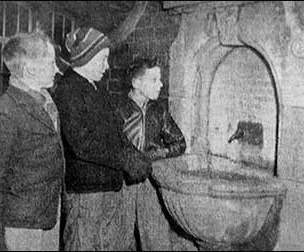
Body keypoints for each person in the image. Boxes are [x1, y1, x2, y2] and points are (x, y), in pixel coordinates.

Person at [52, 27, 153, 251]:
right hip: (86, 193)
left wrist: (134, 153)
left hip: (108, 186)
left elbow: (117, 131)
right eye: (103, 59)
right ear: (85, 57)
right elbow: (82, 144)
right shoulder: (69, 90)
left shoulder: (97, 87)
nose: (107, 66)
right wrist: (124, 160)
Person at [0, 31, 64, 251]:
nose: (57, 69)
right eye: (51, 62)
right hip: (21, 228)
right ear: (30, 69)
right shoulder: (4, 113)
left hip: (47, 219)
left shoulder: (46, 102)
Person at [116, 58, 197, 251]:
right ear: (136, 83)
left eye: (160, 79)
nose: (160, 84)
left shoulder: (159, 111)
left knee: (155, 239)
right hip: (123, 182)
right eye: (154, 79)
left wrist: (153, 156)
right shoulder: (117, 109)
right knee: (120, 238)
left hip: (150, 183)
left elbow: (180, 143)